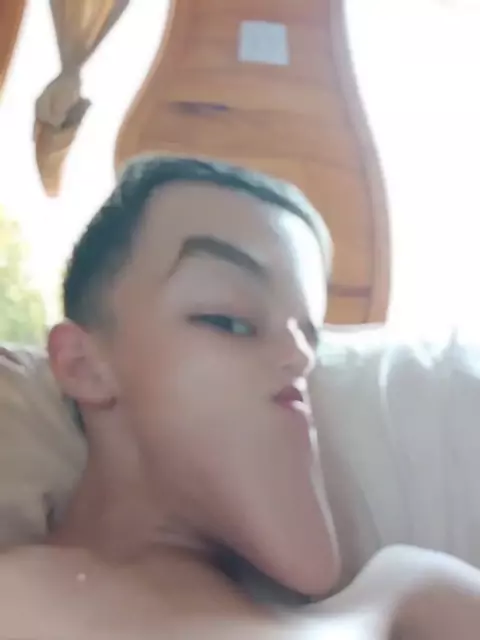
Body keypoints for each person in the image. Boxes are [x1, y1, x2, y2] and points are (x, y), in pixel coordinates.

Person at [1, 155, 480, 639]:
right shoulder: (17, 593)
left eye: (309, 336)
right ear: (82, 367)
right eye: (230, 320)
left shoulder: (408, 594)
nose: (300, 357)